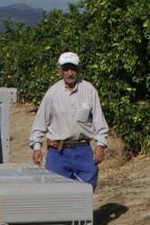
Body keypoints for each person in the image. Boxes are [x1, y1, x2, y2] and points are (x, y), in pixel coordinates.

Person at [28, 51, 109, 189]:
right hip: (58, 153)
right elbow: (40, 123)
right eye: (66, 69)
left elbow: (99, 121)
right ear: (61, 70)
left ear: (78, 69)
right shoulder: (52, 93)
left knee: (86, 190)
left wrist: (100, 145)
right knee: (58, 193)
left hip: (83, 150)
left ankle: (82, 211)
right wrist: (37, 147)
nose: (70, 72)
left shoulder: (89, 90)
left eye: (73, 68)